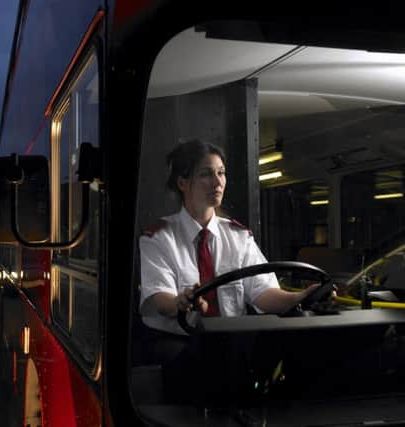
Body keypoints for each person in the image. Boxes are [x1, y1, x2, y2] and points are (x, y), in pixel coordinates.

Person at [138, 139, 324, 402]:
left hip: (231, 343)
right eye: (206, 174)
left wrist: (300, 297)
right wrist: (183, 302)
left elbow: (262, 293)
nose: (217, 182)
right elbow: (160, 300)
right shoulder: (158, 237)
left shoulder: (238, 236)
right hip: (181, 344)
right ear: (183, 183)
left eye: (221, 173)